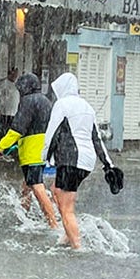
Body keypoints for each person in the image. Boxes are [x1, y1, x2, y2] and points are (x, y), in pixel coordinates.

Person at [41, 72, 115, 250]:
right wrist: (108, 165)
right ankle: (68, 234)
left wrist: (43, 158)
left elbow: (51, 134)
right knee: (57, 191)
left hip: (70, 160)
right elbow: (97, 138)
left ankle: (77, 246)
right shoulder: (87, 107)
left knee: (67, 208)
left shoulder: (61, 105)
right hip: (85, 162)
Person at [0, 72, 59, 228]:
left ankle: (53, 223)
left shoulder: (28, 101)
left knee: (36, 186)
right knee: (26, 186)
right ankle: (24, 216)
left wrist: (1, 147)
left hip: (32, 151)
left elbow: (17, 128)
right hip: (44, 149)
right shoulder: (45, 101)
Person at [0, 68, 20, 141]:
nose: (15, 76)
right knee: (3, 133)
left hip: (14, 113)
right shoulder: (2, 83)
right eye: (13, 74)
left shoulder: (17, 85)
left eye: (16, 75)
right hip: (4, 113)